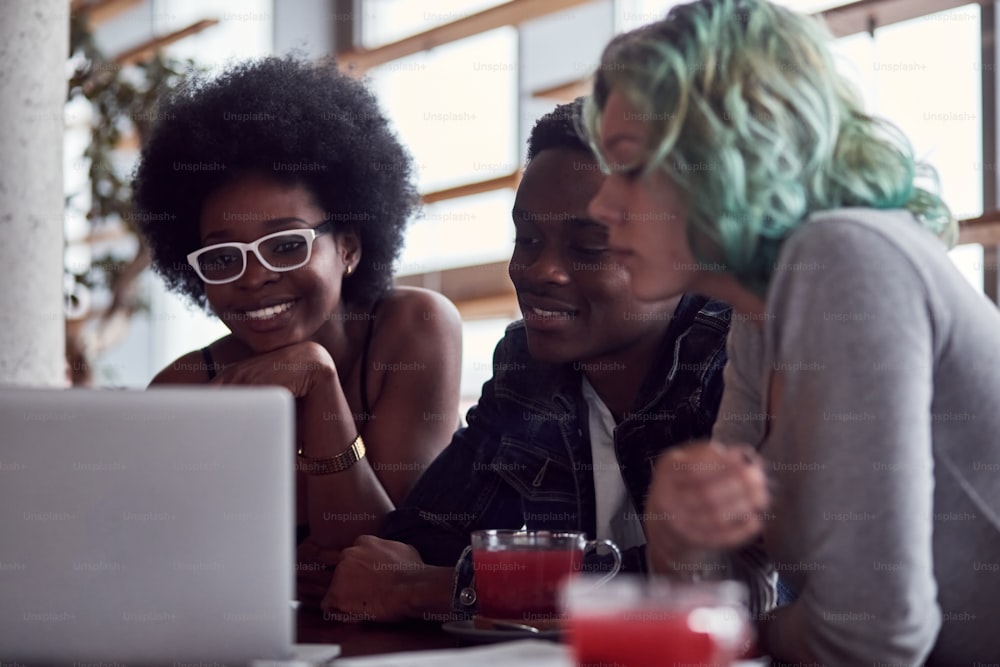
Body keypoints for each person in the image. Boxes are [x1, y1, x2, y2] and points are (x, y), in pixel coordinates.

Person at [582, 0, 1000, 663]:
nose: (601, 204)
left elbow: (870, 639)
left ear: (733, 149)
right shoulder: (759, 321)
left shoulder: (846, 257)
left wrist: (735, 634)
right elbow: (733, 592)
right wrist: (681, 539)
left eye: (629, 164)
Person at [320, 99, 762, 623]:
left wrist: (449, 589)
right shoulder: (527, 365)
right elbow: (415, 541)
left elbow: (737, 590)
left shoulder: (735, 360)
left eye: (590, 247)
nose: (539, 270)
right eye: (526, 239)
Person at [131, 56, 462, 552]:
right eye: (223, 257)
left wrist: (320, 380)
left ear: (347, 247)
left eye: (286, 245)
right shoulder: (184, 389)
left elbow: (382, 559)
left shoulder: (415, 329)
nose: (255, 277)